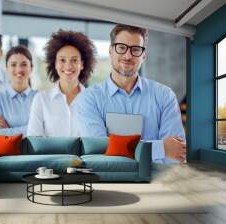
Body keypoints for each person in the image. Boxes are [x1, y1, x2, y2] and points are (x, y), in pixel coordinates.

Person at [76, 24, 186, 164]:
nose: (127, 56)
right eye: (121, 47)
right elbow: (98, 150)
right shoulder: (89, 98)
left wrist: (117, 147)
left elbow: (175, 153)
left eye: (135, 49)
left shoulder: (164, 95)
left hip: (157, 181)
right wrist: (161, 148)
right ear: (111, 51)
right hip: (109, 182)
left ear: (144, 55)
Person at [27, 30, 96, 137]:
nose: (68, 66)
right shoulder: (41, 99)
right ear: (55, 63)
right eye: (62, 60)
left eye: (74, 60)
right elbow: (34, 140)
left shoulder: (93, 101)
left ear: (82, 64)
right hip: (50, 154)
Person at [0, 45, 37, 136]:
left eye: (24, 64)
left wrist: (10, 130)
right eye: (13, 65)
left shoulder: (40, 97)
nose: (19, 69)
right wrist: (31, 129)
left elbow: (46, 129)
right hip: (9, 150)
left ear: (31, 68)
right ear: (7, 68)